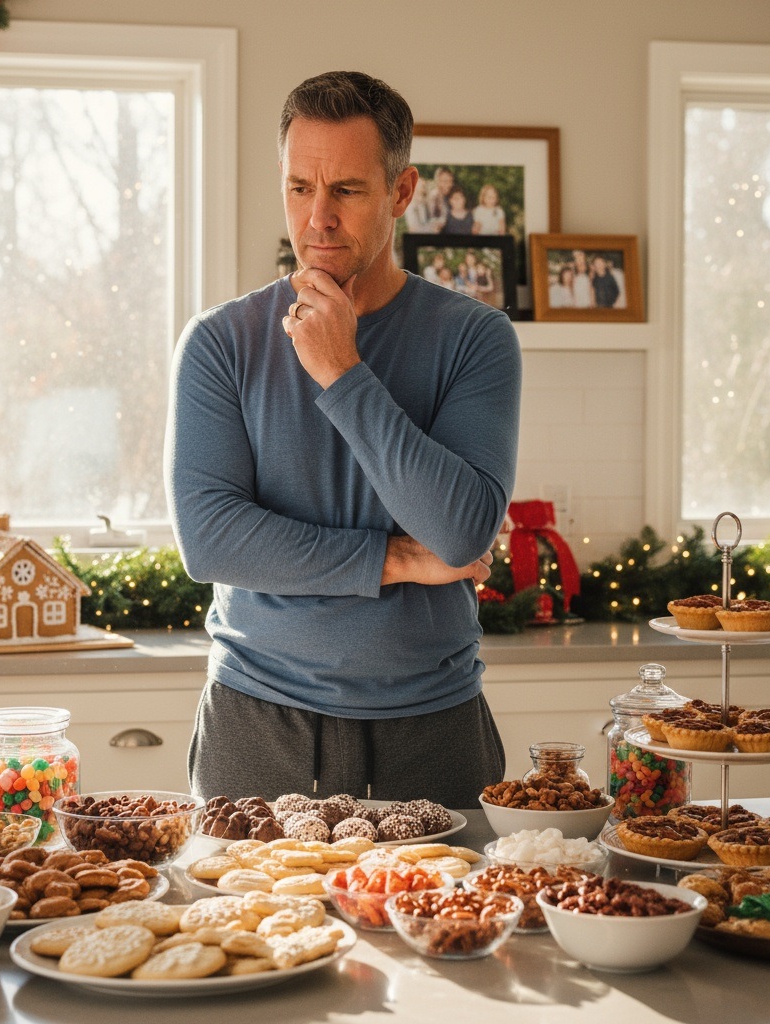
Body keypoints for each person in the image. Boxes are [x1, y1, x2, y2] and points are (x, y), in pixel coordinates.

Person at [164, 71, 521, 809]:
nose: (318, 217)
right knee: (249, 928)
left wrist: (342, 372)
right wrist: (393, 560)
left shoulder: (475, 340)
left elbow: (457, 532)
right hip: (256, 720)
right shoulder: (218, 343)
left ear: (400, 190)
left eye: (347, 191)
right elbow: (212, 541)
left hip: (435, 723)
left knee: (443, 926)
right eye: (299, 187)